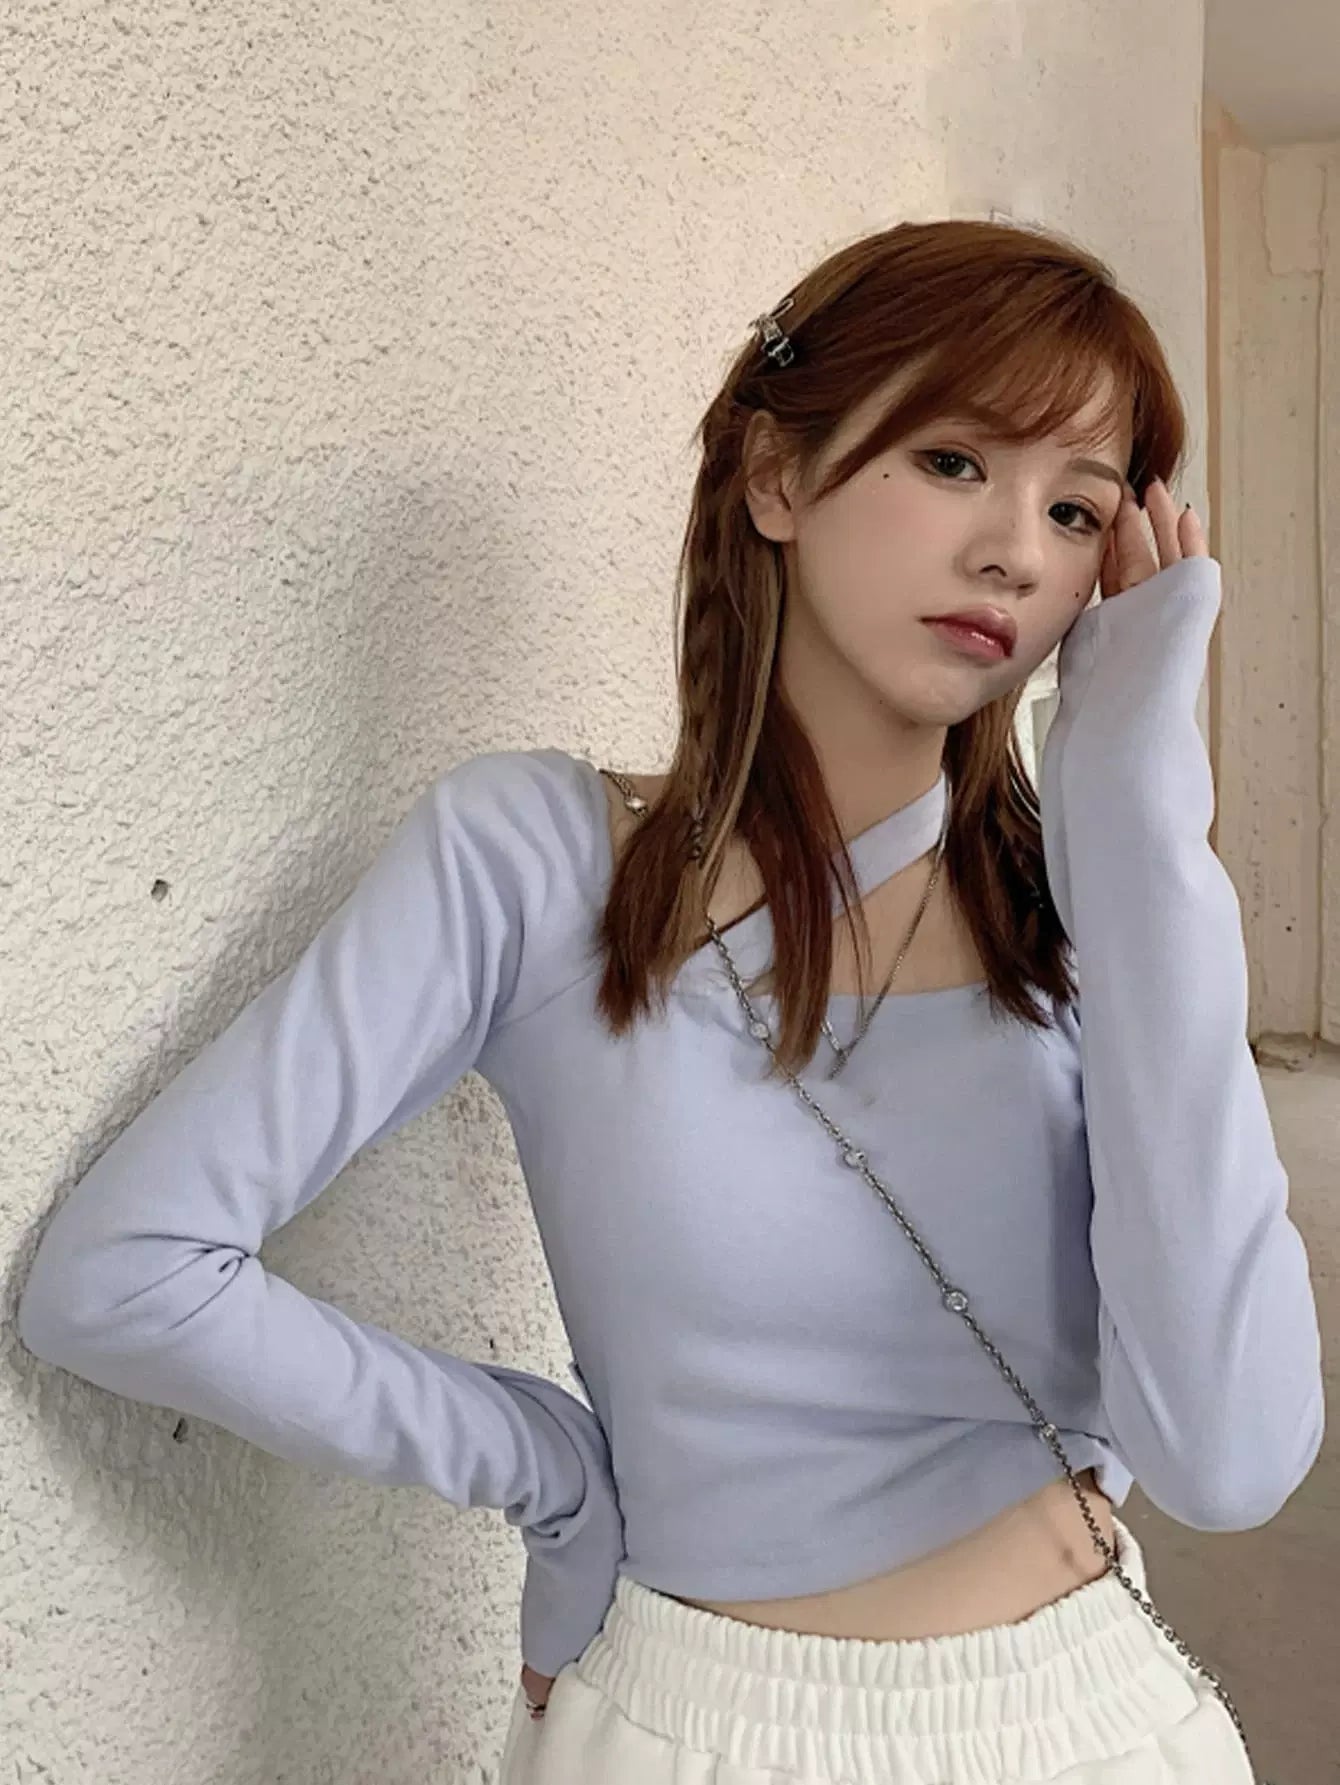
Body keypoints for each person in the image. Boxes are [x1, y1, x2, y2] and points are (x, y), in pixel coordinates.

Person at [18, 218, 1323, 1785]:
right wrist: (544, 1463)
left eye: (1075, 509)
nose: (1017, 553)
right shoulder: (535, 862)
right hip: (697, 1731)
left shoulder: (1090, 905)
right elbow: (122, 1272)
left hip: (1092, 1720)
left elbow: (1232, 1459)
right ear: (776, 474)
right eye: (955, 461)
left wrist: (1140, 815)